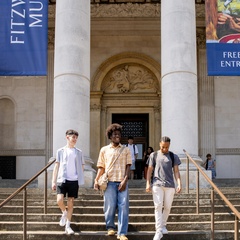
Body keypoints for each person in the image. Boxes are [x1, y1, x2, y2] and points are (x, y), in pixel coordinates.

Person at [94, 123, 132, 240]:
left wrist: (125, 181)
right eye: (115, 134)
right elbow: (101, 167)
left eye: (119, 134)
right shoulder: (104, 150)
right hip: (109, 182)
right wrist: (96, 180)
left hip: (122, 182)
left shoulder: (126, 150)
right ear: (110, 136)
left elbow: (128, 166)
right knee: (109, 206)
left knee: (123, 207)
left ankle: (122, 233)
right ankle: (110, 227)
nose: (117, 136)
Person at [146, 136, 181, 240]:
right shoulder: (154, 155)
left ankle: (163, 224)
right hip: (157, 184)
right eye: (163, 147)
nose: (165, 149)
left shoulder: (173, 156)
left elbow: (176, 171)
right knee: (158, 206)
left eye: (167, 147)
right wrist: (148, 183)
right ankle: (158, 230)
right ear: (159, 144)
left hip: (170, 185)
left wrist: (179, 183)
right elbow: (149, 170)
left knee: (167, 207)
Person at [51, 129, 85, 235]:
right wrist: (53, 181)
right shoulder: (60, 151)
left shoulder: (79, 152)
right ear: (67, 137)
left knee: (71, 202)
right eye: (73, 137)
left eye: (76, 138)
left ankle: (68, 226)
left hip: (73, 180)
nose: (75, 139)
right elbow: (56, 167)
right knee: (59, 200)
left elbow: (82, 165)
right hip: (62, 179)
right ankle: (64, 213)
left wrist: (79, 175)